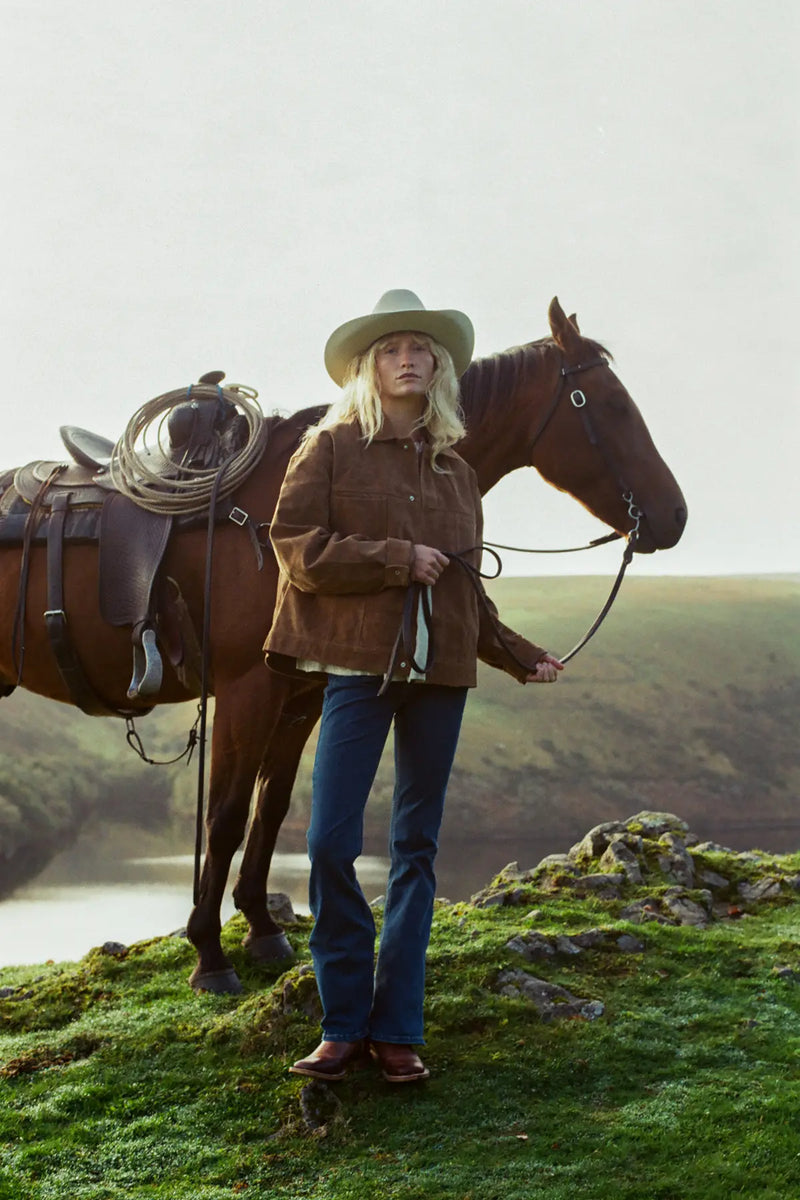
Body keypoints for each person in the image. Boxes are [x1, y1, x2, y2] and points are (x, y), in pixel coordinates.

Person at [264, 289, 563, 1084]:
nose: (409, 358)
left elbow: (465, 587)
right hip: (358, 672)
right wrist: (396, 557)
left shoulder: (457, 471)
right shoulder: (326, 450)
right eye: (394, 347)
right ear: (369, 366)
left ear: (438, 370)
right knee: (330, 841)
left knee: (415, 849)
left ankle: (396, 1028)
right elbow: (296, 549)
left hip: (441, 677)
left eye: (422, 349)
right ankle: (342, 1022)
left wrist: (519, 653)